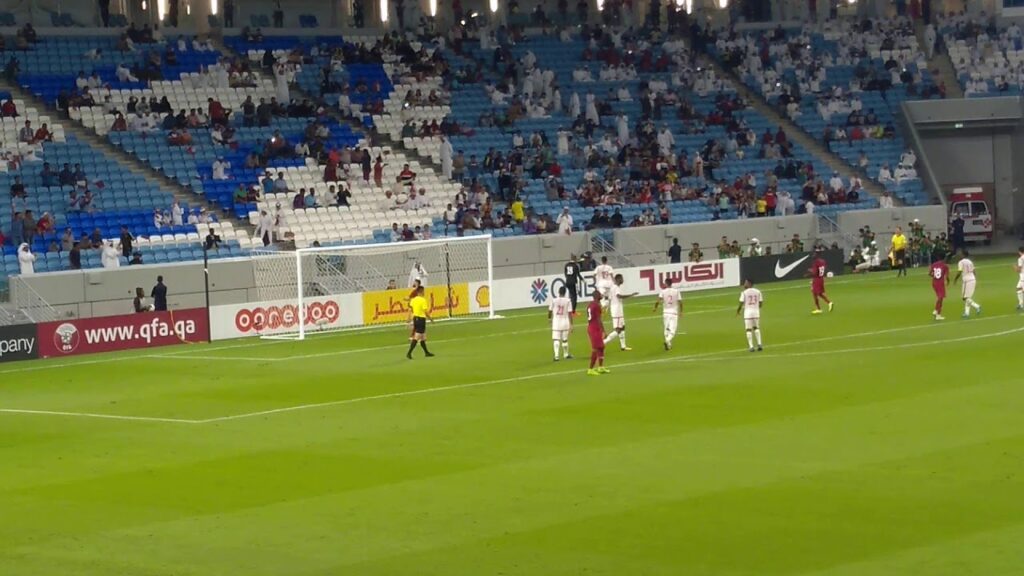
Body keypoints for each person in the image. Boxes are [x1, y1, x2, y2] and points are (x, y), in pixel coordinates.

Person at [603, 273, 638, 351]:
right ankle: (603, 342)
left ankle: (623, 346)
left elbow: (608, 298)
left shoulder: (613, 287)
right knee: (618, 329)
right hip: (617, 310)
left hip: (616, 309)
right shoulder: (616, 288)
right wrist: (631, 295)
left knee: (622, 327)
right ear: (618, 279)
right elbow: (619, 296)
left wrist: (607, 307)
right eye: (621, 278)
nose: (623, 280)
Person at [653, 277, 681, 351]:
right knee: (672, 330)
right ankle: (667, 341)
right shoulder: (676, 291)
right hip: (674, 313)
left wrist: (655, 308)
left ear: (666, 283)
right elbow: (680, 302)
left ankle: (669, 345)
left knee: (666, 329)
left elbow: (658, 301)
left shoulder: (662, 291)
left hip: (665, 313)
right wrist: (681, 311)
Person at [585, 291, 610, 376]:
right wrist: (604, 331)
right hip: (594, 328)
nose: (601, 295)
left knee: (601, 347)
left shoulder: (590, 304)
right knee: (595, 348)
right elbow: (599, 319)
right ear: (597, 296)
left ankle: (600, 367)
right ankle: (590, 369)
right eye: (600, 294)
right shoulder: (596, 305)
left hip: (592, 327)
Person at [406, 286, 434, 359]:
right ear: (421, 291)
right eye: (423, 291)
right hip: (421, 319)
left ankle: (426, 352)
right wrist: (431, 319)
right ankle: (409, 353)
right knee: (417, 337)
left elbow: (411, 308)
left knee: (423, 337)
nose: (424, 292)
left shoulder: (413, 300)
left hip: (415, 318)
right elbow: (425, 311)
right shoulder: (423, 300)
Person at [736, 278, 764, 352]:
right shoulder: (758, 291)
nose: (744, 284)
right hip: (756, 312)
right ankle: (759, 344)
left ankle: (751, 347)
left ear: (750, 284)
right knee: (756, 328)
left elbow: (741, 303)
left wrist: (738, 311)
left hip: (748, 313)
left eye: (746, 283)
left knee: (748, 329)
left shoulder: (744, 293)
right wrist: (756, 308)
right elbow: (761, 303)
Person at [548, 286, 573, 361]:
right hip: (565, 321)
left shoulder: (554, 300)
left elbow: (549, 310)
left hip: (556, 322)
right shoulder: (568, 301)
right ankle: (565, 354)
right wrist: (571, 324)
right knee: (565, 339)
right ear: (565, 292)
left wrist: (549, 318)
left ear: (558, 292)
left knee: (556, 339)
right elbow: (570, 313)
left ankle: (556, 356)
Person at [954, 249, 981, 318]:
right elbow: (974, 270)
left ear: (963, 254)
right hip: (972, 279)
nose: (959, 255)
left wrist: (955, 279)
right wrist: (976, 280)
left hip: (967, 281)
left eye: (960, 253)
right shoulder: (970, 261)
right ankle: (967, 313)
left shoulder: (961, 262)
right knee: (968, 297)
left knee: (964, 297)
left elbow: (959, 271)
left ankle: (977, 306)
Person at [808, 250, 833, 314]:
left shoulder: (816, 262)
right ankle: (828, 303)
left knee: (815, 293)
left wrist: (810, 271)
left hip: (817, 279)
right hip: (821, 278)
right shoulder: (822, 261)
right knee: (818, 293)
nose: (813, 255)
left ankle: (820, 308)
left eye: (814, 254)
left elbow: (815, 272)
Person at [930, 252, 950, 321]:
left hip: (934, 283)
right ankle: (936, 310)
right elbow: (947, 276)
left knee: (941, 298)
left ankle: (938, 315)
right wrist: (948, 281)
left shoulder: (933, 264)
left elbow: (930, 274)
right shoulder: (945, 266)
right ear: (945, 258)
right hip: (940, 283)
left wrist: (934, 276)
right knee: (940, 297)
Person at [1016, 246, 1024, 311]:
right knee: (1018, 288)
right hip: (1022, 277)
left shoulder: (1020, 259)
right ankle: (1021, 304)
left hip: (1023, 277)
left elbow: (1019, 270)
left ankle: (1021, 304)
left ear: (1019, 251)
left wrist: (1015, 268)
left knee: (1022, 290)